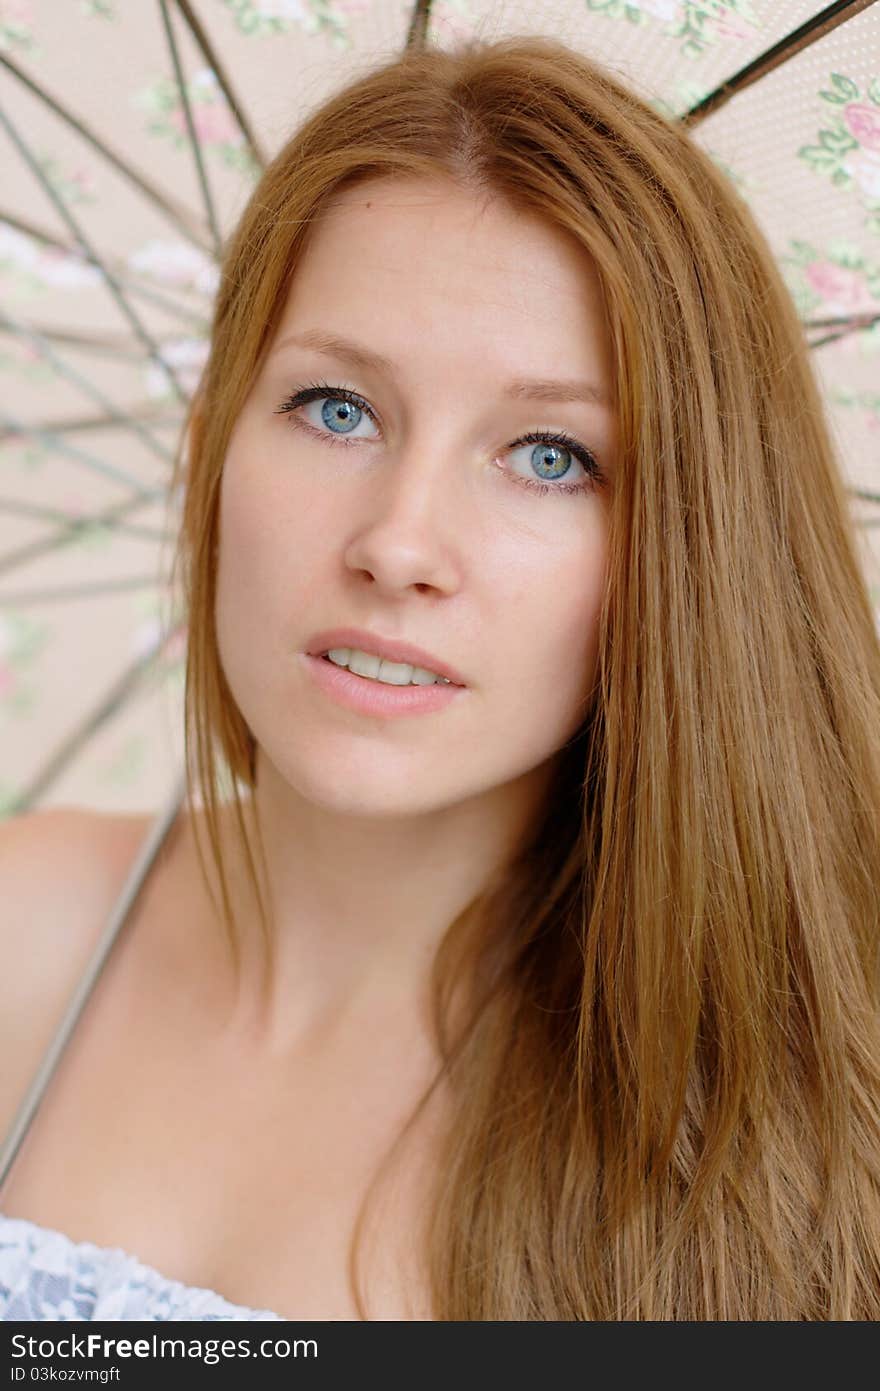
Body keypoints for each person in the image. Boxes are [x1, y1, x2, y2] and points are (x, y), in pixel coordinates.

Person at [1, 32, 880, 1323]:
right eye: (337, 409)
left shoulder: (773, 1147)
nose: (400, 545)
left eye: (547, 456)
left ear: (683, 554)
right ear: (214, 451)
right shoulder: (26, 924)